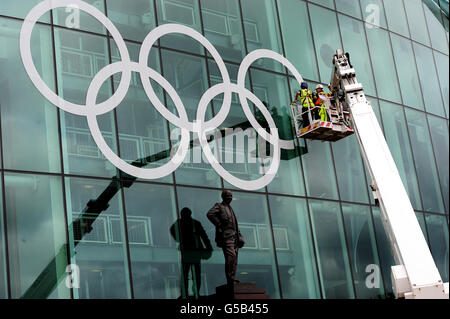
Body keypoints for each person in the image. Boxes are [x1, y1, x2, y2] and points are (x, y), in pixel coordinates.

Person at [170, 207, 213, 298]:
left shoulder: (181, 223)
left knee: (187, 274)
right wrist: (208, 247)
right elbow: (204, 236)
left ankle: (187, 293)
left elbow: (204, 236)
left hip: (189, 251)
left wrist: (178, 239)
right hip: (193, 251)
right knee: (194, 274)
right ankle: (194, 292)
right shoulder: (193, 223)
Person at [206, 190, 245, 286]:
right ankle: (231, 278)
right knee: (231, 256)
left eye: (231, 196)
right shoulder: (219, 206)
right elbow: (210, 214)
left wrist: (240, 236)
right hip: (226, 236)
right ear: (223, 197)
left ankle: (233, 278)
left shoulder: (231, 209)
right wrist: (219, 225)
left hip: (234, 237)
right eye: (228, 196)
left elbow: (235, 225)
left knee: (235, 259)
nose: (230, 197)